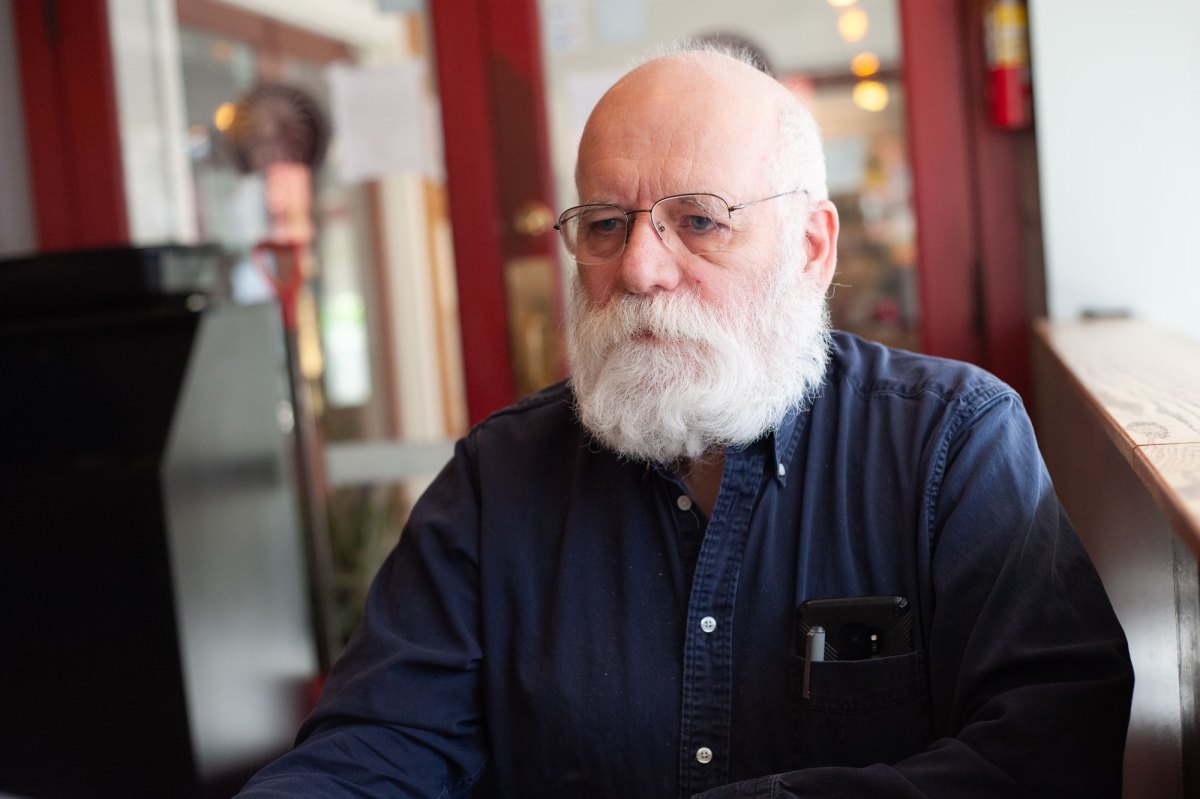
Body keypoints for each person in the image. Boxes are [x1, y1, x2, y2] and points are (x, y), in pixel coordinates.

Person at [238, 45, 1133, 798]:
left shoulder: (950, 443)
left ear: (812, 248)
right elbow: (371, 751)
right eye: (605, 224)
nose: (639, 268)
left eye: (699, 220)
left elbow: (1050, 752)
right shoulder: (495, 482)